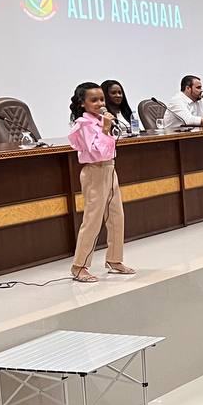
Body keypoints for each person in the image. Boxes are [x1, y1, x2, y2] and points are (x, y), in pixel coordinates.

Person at [68, 82, 133, 283]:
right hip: (95, 171)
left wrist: (107, 127)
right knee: (93, 219)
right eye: (94, 100)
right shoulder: (83, 124)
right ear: (82, 103)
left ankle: (114, 259)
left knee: (116, 216)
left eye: (102, 99)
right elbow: (96, 152)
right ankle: (79, 266)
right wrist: (105, 129)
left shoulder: (101, 120)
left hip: (109, 168)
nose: (100, 103)